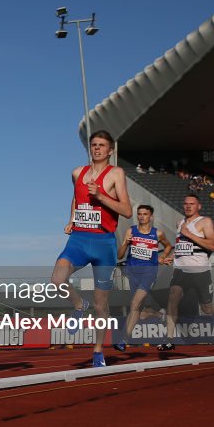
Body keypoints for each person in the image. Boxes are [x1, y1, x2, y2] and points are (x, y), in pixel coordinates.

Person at [50, 130, 132, 368]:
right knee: (57, 279)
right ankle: (78, 304)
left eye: (101, 145)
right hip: (79, 239)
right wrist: (72, 218)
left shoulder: (116, 174)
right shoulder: (78, 172)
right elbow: (76, 197)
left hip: (104, 244)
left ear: (110, 150)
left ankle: (97, 351)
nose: (97, 148)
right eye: (93, 145)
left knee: (100, 305)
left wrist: (102, 196)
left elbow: (127, 210)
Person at [157, 194, 214, 351]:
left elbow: (212, 245)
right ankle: (169, 339)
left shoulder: (204, 222)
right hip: (181, 270)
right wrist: (172, 257)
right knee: (173, 298)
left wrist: (190, 234)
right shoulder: (179, 223)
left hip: (200, 271)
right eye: (186, 203)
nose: (188, 206)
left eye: (192, 204)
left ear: (198, 206)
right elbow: (183, 247)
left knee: (207, 308)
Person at [113, 204, 172, 352]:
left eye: (145, 214)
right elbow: (119, 256)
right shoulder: (130, 231)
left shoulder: (157, 234)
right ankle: (159, 315)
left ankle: (123, 340)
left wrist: (162, 257)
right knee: (140, 313)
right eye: (139, 214)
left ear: (150, 217)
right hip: (132, 272)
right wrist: (126, 242)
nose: (141, 216)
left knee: (134, 304)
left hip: (149, 273)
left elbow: (168, 246)